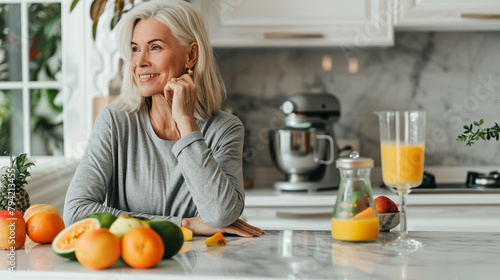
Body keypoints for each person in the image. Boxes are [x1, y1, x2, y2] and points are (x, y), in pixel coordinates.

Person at [64, 0, 264, 238]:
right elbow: (76, 212)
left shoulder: (225, 128)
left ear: (191, 55)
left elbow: (221, 215)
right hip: (135, 268)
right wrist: (184, 224)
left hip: (201, 268)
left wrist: (186, 124)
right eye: (135, 49)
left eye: (155, 47)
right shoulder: (115, 121)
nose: (139, 62)